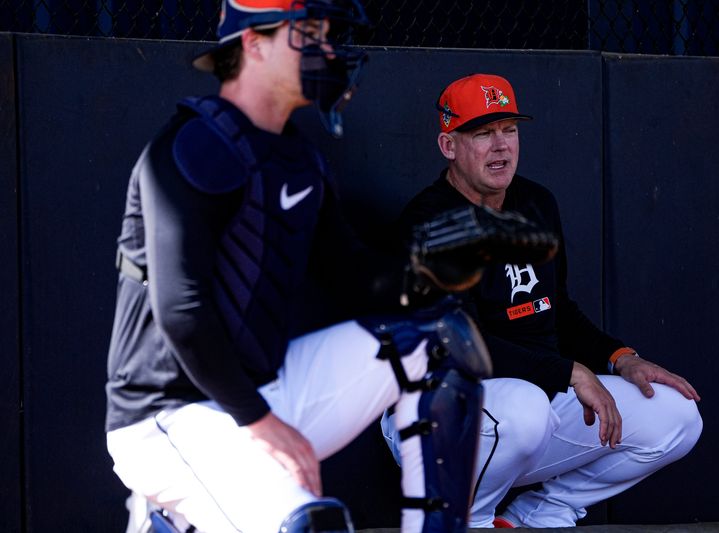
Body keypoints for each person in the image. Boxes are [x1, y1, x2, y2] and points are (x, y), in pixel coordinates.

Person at [103, 8, 556, 533]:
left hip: (266, 387)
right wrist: (261, 423)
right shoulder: (190, 146)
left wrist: (438, 270)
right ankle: (169, 515)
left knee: (441, 339)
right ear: (253, 44)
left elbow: (357, 279)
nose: (327, 51)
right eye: (309, 36)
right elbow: (181, 312)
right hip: (171, 413)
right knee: (313, 524)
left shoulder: (297, 156)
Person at [382, 73, 704, 528]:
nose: (501, 146)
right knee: (525, 407)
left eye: (509, 130)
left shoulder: (536, 203)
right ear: (448, 145)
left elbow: (557, 311)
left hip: (532, 401)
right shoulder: (429, 223)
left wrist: (621, 358)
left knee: (676, 415)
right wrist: (568, 372)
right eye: (482, 133)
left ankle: (541, 512)